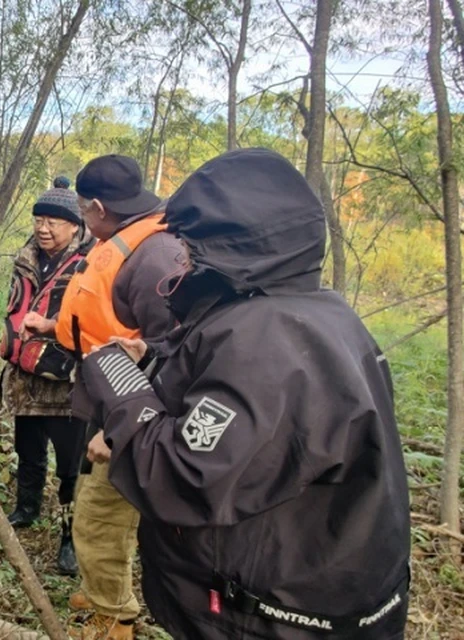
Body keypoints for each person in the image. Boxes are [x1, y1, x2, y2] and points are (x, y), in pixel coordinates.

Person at [77, 148, 410, 639]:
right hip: (328, 598)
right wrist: (152, 356)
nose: (180, 258)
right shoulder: (320, 314)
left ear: (227, 247)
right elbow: (250, 416)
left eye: (188, 244)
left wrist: (117, 382)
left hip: (273, 615)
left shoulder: (264, 339)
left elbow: (182, 474)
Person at [55, 155, 185, 640]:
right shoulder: (133, 241)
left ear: (98, 208)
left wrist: (119, 433)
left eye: (83, 214)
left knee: (98, 518)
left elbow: (180, 360)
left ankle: (114, 619)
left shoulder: (156, 256)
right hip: (112, 403)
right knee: (100, 513)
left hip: (135, 422)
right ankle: (99, 590)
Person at [0, 176, 94, 576]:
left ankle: (71, 536)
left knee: (72, 466)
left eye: (54, 221)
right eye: (39, 218)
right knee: (28, 450)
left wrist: (51, 326)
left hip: (67, 382)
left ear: (75, 225)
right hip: (25, 377)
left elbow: (92, 320)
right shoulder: (27, 257)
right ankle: (26, 507)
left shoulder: (91, 262)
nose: (43, 227)